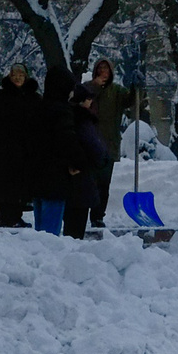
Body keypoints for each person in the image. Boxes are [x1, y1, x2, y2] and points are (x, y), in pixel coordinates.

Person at [0, 64, 40, 229]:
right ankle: (5, 217)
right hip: (4, 150)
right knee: (3, 186)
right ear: (10, 77)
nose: (18, 78)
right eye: (15, 75)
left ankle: (16, 216)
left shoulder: (34, 98)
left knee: (21, 184)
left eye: (21, 75)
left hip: (26, 150)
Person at [83, 60, 130, 228]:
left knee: (103, 184)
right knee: (89, 182)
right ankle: (83, 214)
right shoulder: (87, 87)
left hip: (108, 145)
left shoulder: (116, 91)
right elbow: (79, 100)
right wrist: (94, 86)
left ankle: (97, 216)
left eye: (106, 69)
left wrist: (137, 87)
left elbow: (131, 101)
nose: (103, 72)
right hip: (89, 143)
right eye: (100, 68)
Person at [32, 66, 78, 234]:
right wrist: (76, 161)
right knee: (51, 230)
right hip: (56, 173)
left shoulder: (38, 107)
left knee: (40, 226)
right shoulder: (62, 111)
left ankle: (37, 254)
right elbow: (67, 140)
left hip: (37, 172)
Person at [61, 82, 110, 238]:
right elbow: (93, 144)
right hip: (82, 170)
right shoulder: (83, 119)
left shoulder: (67, 116)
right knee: (78, 216)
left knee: (71, 214)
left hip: (70, 173)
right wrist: (103, 159)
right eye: (89, 99)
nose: (91, 102)